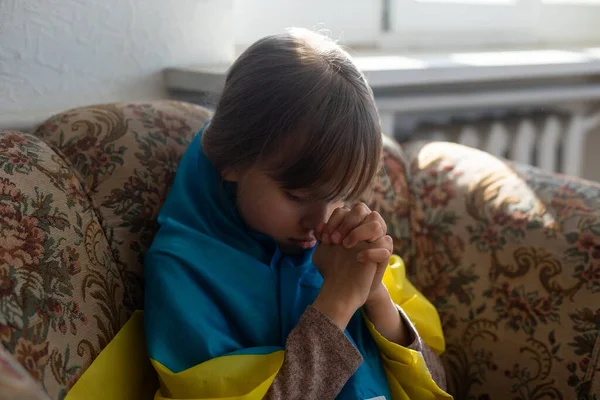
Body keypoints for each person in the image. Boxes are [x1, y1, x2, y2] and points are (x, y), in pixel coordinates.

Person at [144, 28, 451, 400]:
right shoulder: (183, 269)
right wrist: (336, 305)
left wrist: (376, 297)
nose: (320, 222)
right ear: (231, 160)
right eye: (296, 195)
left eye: (341, 196)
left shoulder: (348, 247)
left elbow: (438, 385)